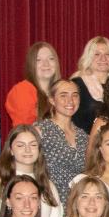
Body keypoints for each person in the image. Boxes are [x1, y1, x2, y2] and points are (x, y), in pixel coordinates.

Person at [0, 124, 63, 217]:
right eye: (20, 145)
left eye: (33, 145)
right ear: (10, 149)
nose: (28, 150)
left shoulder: (48, 185)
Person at [36, 79, 89, 207]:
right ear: (52, 100)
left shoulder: (83, 135)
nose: (70, 101)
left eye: (74, 95)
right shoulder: (40, 130)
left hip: (78, 203)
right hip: (50, 201)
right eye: (63, 95)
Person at [69, 36, 109, 133]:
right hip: (83, 143)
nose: (103, 58)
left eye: (108, 54)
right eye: (97, 54)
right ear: (88, 57)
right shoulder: (77, 84)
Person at [4, 42, 60, 127]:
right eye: (38, 60)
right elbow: (25, 130)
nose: (46, 64)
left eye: (51, 59)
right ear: (31, 65)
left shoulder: (61, 90)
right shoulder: (22, 91)